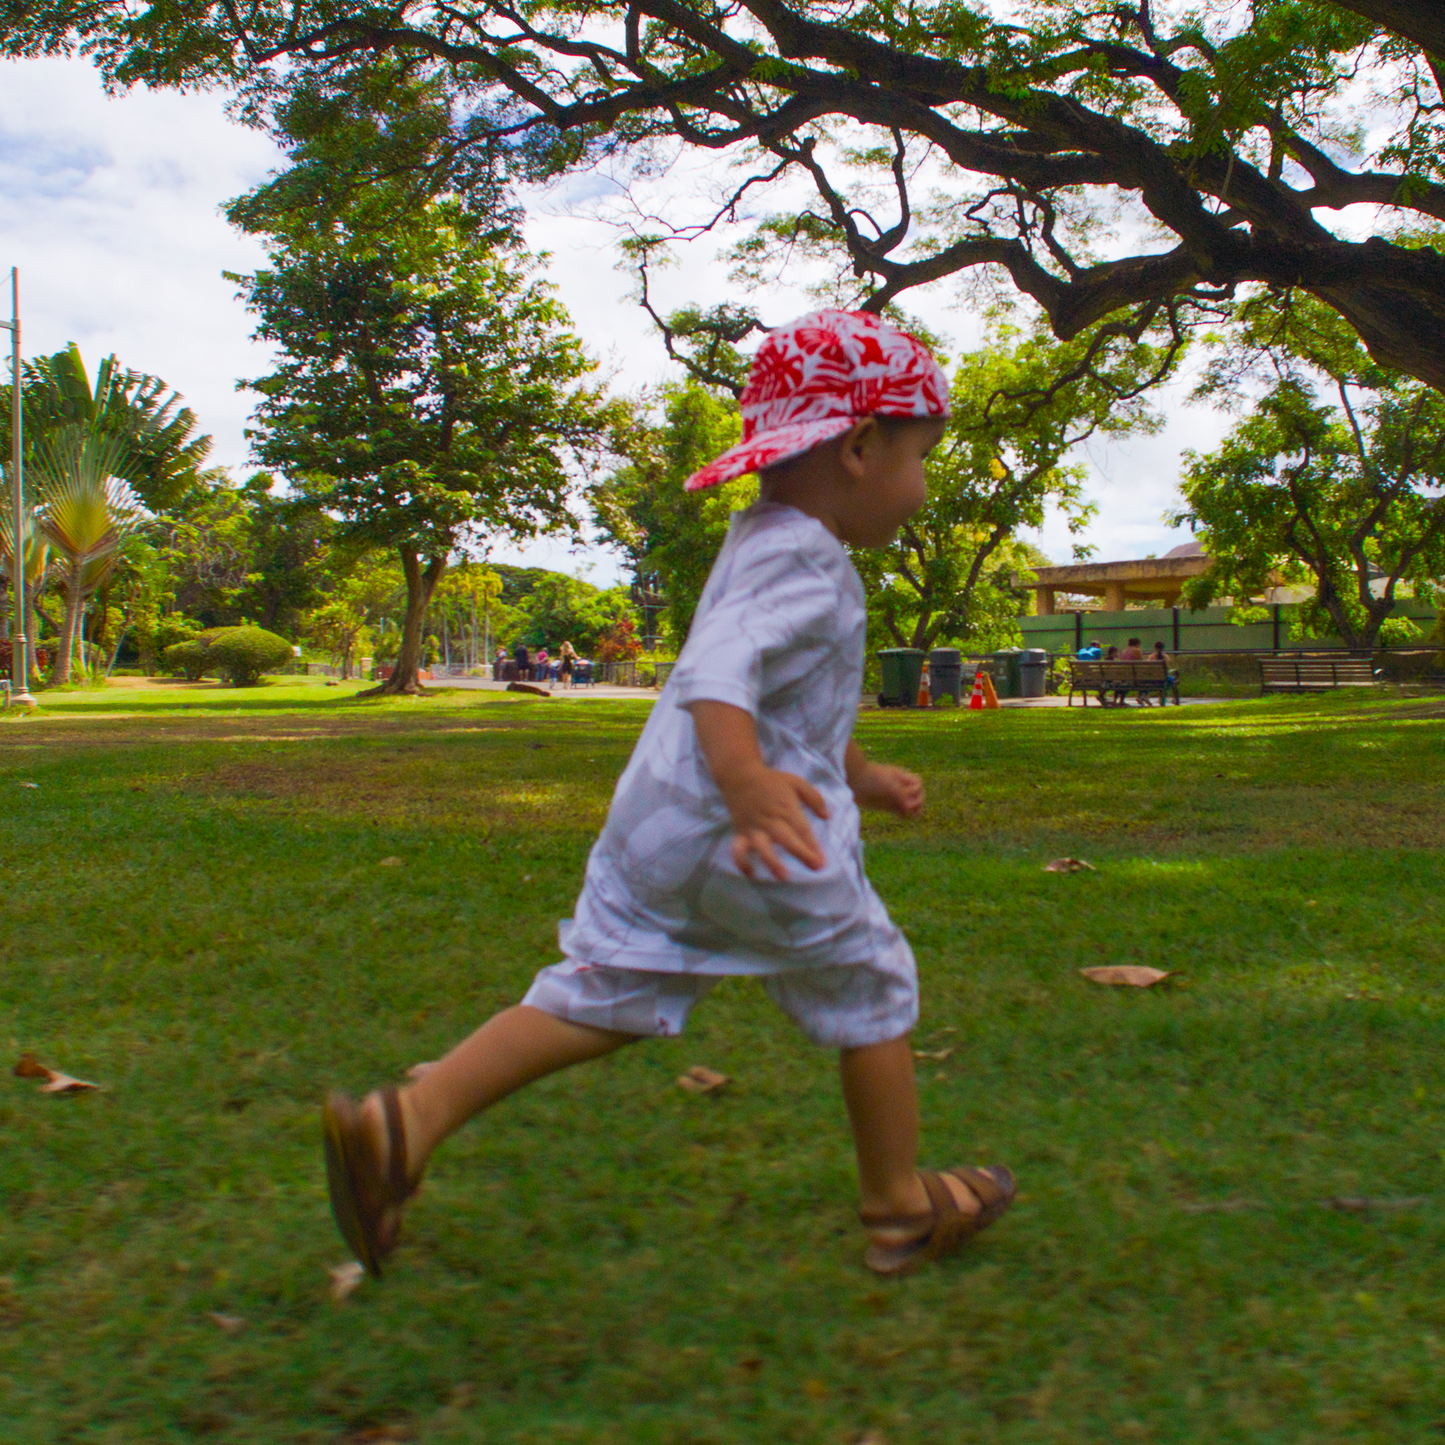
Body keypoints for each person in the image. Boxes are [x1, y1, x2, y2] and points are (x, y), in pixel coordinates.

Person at [321, 309, 1015, 1284]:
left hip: (659, 824)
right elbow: (722, 671)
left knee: (601, 986)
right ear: (859, 446)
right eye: (919, 455)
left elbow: (776, 687)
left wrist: (852, 768)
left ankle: (407, 1122)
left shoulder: (757, 538)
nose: (922, 485)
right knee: (872, 987)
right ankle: (899, 1205)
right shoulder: (811, 563)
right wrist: (745, 782)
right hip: (756, 838)